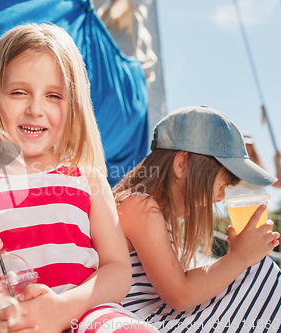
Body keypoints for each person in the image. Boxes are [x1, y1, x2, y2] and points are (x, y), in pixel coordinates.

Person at [0, 23, 157, 333]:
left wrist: (62, 310)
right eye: (18, 92)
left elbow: (119, 270)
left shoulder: (86, 176)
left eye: (54, 95)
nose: (35, 109)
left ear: (74, 105)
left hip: (84, 316)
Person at [113, 106, 281, 332]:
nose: (221, 197)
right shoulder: (139, 207)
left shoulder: (156, 215)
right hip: (145, 322)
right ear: (183, 165)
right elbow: (180, 295)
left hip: (158, 318)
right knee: (260, 273)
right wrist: (239, 257)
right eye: (221, 185)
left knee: (256, 270)